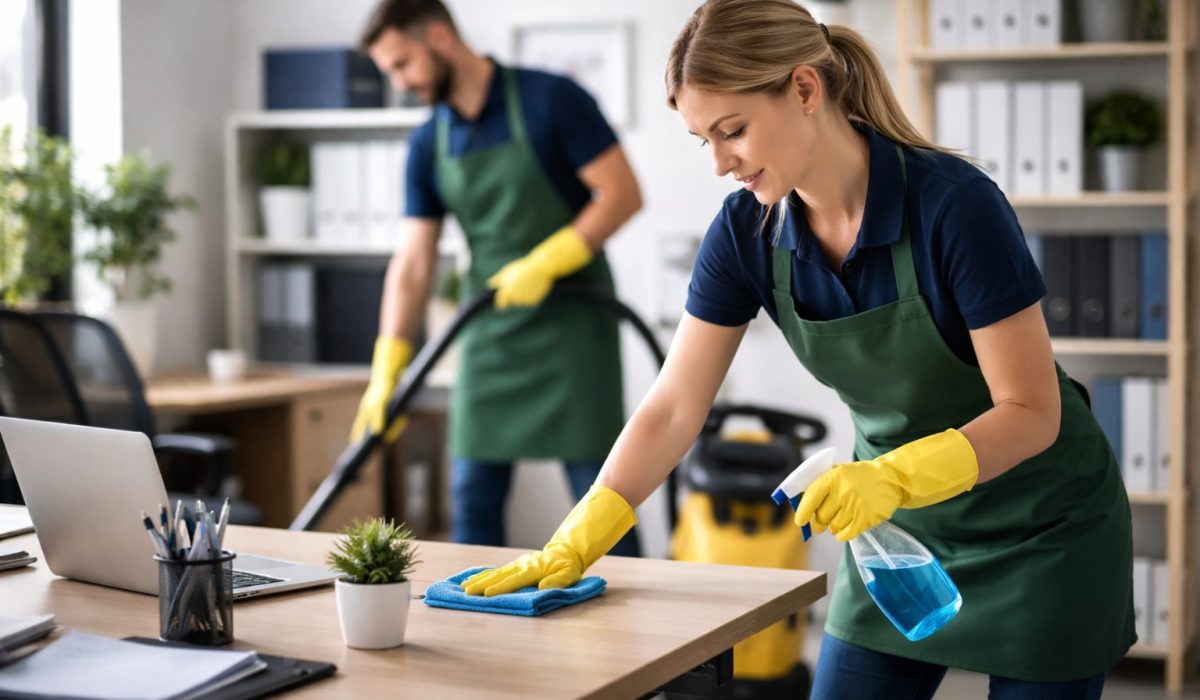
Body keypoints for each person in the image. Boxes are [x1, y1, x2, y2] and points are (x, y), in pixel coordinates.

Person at [461, 1, 1134, 697]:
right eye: (703, 140)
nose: (720, 163)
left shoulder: (954, 207)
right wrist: (577, 537)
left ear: (806, 89)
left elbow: (1031, 412)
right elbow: (674, 406)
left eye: (733, 131)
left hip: (1042, 532)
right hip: (899, 534)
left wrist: (892, 478)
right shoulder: (744, 234)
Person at [352, 0, 642, 555]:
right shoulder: (428, 143)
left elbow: (622, 194)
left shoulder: (552, 100)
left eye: (402, 64)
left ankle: (638, 610)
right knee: (472, 499)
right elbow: (413, 261)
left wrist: (548, 260)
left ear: (439, 37)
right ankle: (471, 607)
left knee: (603, 499)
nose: (400, 83)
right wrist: (387, 363)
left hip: (575, 322)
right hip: (489, 324)